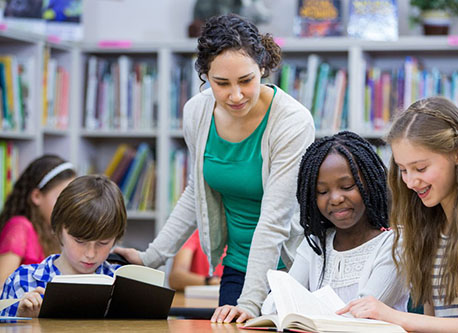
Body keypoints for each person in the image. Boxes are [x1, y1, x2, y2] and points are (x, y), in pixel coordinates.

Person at [114, 13, 315, 323]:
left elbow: (275, 219)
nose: (235, 95)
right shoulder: (197, 112)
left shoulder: (292, 122)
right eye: (221, 84)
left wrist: (250, 302)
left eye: (246, 80)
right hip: (235, 265)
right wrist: (150, 258)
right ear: (205, 75)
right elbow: (197, 192)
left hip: (289, 269)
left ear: (262, 67)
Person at [337, 96, 458, 332]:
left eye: (421, 168)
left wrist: (394, 317)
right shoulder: (428, 225)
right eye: (403, 170)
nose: (411, 182)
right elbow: (432, 323)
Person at [262, 132, 409, 314]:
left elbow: (361, 314)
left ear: (371, 184)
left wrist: (302, 307)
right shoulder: (315, 246)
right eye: (322, 191)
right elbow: (273, 307)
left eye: (347, 187)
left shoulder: (395, 244)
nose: (336, 198)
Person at [0, 175, 127, 318]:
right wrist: (24, 321)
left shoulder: (124, 283)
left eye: (103, 243)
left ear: (116, 237)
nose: (91, 254)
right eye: (80, 241)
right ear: (58, 229)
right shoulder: (23, 280)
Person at [0, 155, 76, 288]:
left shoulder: (53, 233)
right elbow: (2, 288)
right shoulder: (19, 227)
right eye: (62, 198)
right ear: (36, 196)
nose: (69, 207)